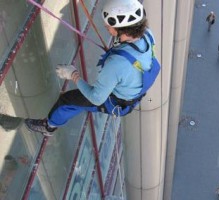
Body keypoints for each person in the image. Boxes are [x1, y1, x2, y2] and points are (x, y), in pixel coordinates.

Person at [24, 0, 161, 136]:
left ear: (121, 29)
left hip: (115, 101)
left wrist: (73, 75)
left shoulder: (116, 64)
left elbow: (96, 98)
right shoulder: (146, 34)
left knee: (68, 100)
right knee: (81, 101)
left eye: (108, 26)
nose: (106, 26)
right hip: (132, 91)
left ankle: (49, 127)